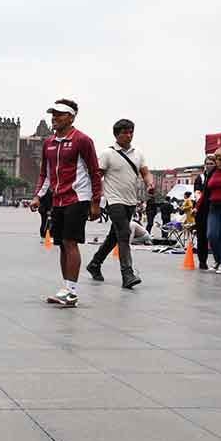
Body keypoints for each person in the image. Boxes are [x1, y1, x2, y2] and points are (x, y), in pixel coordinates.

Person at [30, 98, 102, 307]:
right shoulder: (49, 143)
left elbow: (94, 172)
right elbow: (45, 173)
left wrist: (95, 202)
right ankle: (66, 288)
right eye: (53, 114)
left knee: (70, 242)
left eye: (60, 114)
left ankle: (71, 291)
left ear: (71, 117)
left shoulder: (82, 140)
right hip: (58, 198)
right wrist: (37, 196)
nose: (54, 118)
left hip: (78, 197)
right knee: (61, 243)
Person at [85, 118, 154, 289]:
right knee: (124, 233)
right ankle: (127, 274)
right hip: (113, 200)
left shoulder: (138, 154)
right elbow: (96, 176)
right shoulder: (107, 154)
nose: (128, 135)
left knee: (113, 237)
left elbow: (146, 173)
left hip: (131, 201)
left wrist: (149, 184)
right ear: (116, 135)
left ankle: (94, 263)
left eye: (131, 132)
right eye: (124, 132)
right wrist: (94, 199)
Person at [192, 155, 215, 270]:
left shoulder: (218, 176)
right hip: (201, 209)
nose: (209, 165)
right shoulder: (200, 178)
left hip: (214, 208)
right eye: (207, 163)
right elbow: (197, 193)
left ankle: (219, 260)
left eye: (211, 163)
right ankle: (202, 261)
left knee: (214, 235)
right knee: (202, 237)